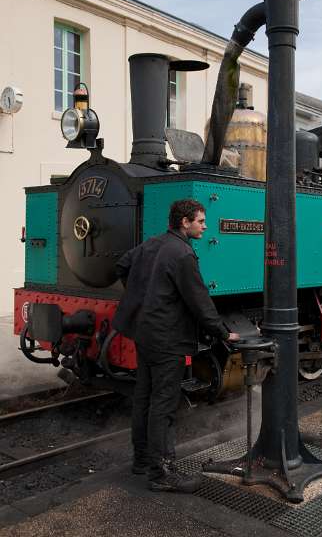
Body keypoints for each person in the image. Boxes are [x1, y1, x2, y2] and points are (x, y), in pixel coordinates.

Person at [112, 199, 240, 493]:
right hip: (167, 338)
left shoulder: (152, 244)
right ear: (185, 222)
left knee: (143, 398)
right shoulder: (183, 253)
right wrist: (223, 333)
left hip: (144, 334)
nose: (205, 227)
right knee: (164, 405)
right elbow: (199, 301)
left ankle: (142, 461)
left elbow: (121, 265)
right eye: (201, 221)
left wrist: (143, 296)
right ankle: (162, 473)